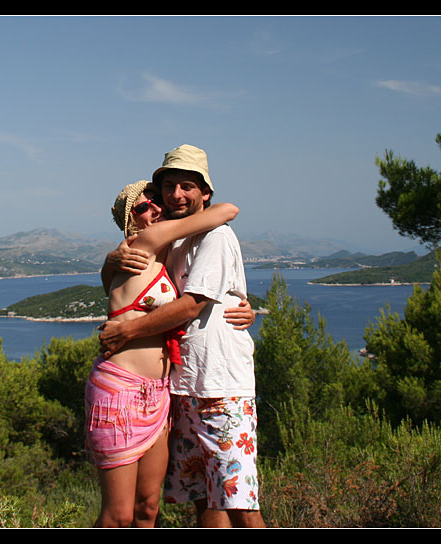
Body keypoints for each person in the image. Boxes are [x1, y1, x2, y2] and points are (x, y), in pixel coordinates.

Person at [98, 144, 265, 528]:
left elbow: (193, 304)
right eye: (166, 188)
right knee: (204, 498)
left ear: (205, 192)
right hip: (181, 387)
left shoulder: (214, 236)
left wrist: (126, 330)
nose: (173, 196)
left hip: (221, 387)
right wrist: (110, 261)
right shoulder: (168, 244)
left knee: (239, 502)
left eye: (186, 186)